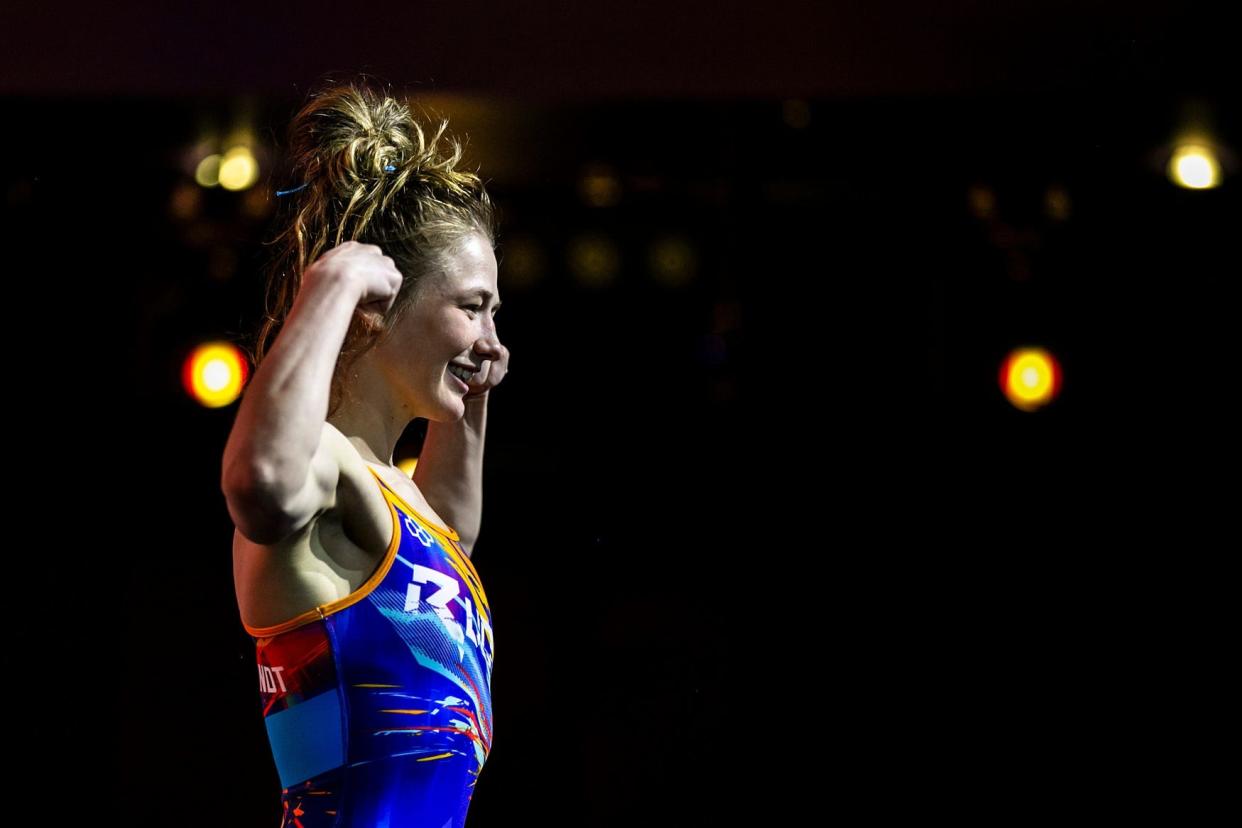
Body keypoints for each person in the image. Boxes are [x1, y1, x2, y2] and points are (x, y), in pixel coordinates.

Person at [221, 76, 508, 828]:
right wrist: (334, 283)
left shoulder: (388, 498)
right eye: (472, 307)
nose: (490, 339)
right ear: (385, 306)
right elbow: (260, 484)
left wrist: (472, 397)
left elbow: (450, 534)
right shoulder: (317, 463)